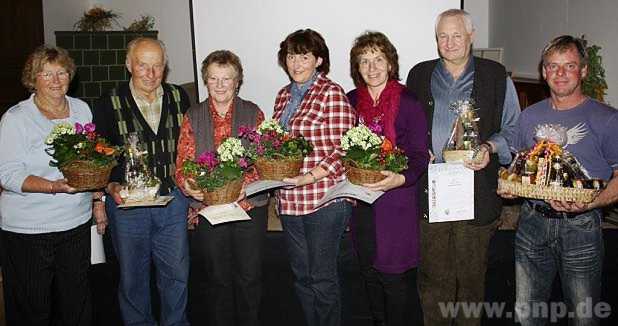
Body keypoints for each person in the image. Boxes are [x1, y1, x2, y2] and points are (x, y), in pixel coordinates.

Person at [406, 9, 520, 326]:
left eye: (457, 35)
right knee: (433, 279)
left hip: (477, 193)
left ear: (471, 36)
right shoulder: (419, 75)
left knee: (471, 281)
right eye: (443, 35)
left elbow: (513, 129)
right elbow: (405, 127)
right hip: (432, 194)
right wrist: (417, 151)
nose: (450, 42)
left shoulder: (496, 76)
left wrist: (489, 147)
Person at [500, 35, 618, 326]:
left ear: (584, 71)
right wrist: (510, 188)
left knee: (584, 315)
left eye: (569, 66)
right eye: (553, 66)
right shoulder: (528, 117)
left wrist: (591, 202)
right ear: (543, 72)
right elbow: (521, 169)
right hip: (531, 224)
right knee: (528, 315)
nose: (560, 74)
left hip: (581, 228)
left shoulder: (606, 119)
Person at [0, 45, 107, 325]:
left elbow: (91, 161)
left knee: (78, 303)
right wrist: (54, 187)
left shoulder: (81, 109)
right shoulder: (16, 119)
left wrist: (98, 202)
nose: (56, 80)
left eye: (61, 72)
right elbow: (8, 176)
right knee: (33, 309)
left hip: (75, 223)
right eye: (46, 74)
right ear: (32, 79)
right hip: (29, 230)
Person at [93, 37, 192, 326]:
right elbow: (98, 155)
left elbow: (188, 148)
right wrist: (108, 188)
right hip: (128, 208)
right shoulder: (107, 102)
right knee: (133, 279)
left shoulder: (178, 96)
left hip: (172, 203)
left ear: (165, 67)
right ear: (128, 65)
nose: (150, 73)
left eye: (157, 66)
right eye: (142, 65)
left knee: (176, 276)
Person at [175, 50, 268, 326]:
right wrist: (189, 187)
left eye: (226, 79)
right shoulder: (193, 115)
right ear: (205, 80)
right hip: (209, 209)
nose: (220, 85)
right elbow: (183, 163)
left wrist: (246, 186)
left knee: (250, 279)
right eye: (213, 78)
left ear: (237, 81)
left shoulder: (254, 113)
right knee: (217, 281)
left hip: (249, 207)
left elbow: (265, 160)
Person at [273, 29, 355, 326]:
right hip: (290, 200)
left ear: (318, 60)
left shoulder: (331, 93)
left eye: (304, 56)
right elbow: (279, 147)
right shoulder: (283, 96)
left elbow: (346, 149)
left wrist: (309, 176)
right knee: (302, 277)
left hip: (324, 200)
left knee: (322, 277)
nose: (296, 63)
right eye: (291, 56)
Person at [346, 31, 428, 326]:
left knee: (393, 280)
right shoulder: (350, 100)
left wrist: (400, 178)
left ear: (390, 64)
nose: (372, 67)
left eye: (378, 59)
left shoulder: (409, 101)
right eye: (364, 61)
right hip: (362, 205)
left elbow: (420, 155)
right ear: (357, 67)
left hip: (397, 204)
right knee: (368, 275)